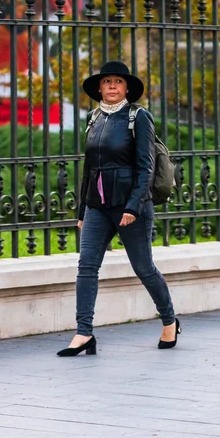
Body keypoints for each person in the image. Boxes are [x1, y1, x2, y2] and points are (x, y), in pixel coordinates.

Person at [57, 61, 181, 357]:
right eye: (107, 81)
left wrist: (134, 206)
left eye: (118, 82)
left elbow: (146, 167)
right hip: (97, 206)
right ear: (99, 87)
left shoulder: (139, 117)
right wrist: (81, 212)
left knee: (144, 268)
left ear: (126, 88)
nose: (112, 86)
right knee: (86, 267)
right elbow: (89, 169)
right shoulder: (94, 118)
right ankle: (84, 333)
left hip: (130, 207)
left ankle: (169, 320)